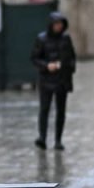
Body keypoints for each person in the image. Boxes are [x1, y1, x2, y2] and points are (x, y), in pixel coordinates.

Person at [31, 11, 76, 151]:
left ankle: (58, 140)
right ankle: (42, 138)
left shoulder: (66, 39)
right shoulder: (41, 39)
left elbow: (72, 57)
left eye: (60, 24)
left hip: (62, 79)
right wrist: (46, 66)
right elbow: (34, 58)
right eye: (56, 24)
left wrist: (68, 68)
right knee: (44, 109)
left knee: (60, 110)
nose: (58, 26)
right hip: (46, 80)